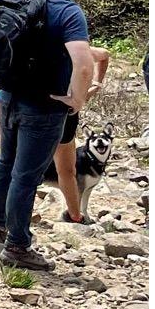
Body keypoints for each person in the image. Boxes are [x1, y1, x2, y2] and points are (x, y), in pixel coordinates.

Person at [0, 0, 95, 270]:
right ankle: (17, 247)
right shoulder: (67, 11)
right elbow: (84, 65)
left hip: (11, 95)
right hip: (45, 105)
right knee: (26, 176)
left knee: (5, 165)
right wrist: (77, 99)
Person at [54, 43, 112, 222]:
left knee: (63, 169)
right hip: (67, 109)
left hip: (58, 111)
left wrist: (96, 84)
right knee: (65, 170)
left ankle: (74, 214)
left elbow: (103, 55)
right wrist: (93, 86)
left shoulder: (69, 45)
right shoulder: (72, 43)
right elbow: (103, 55)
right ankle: (74, 214)